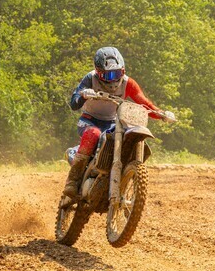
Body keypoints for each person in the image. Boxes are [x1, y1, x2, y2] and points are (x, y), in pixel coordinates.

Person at [61, 47, 174, 204]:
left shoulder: (128, 83)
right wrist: (83, 95)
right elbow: (74, 103)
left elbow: (144, 103)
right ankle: (73, 180)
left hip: (113, 122)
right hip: (90, 120)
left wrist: (162, 114)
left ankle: (120, 177)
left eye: (117, 74)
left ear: (123, 70)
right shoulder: (90, 79)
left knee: (127, 137)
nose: (113, 80)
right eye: (107, 75)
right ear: (98, 72)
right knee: (93, 134)